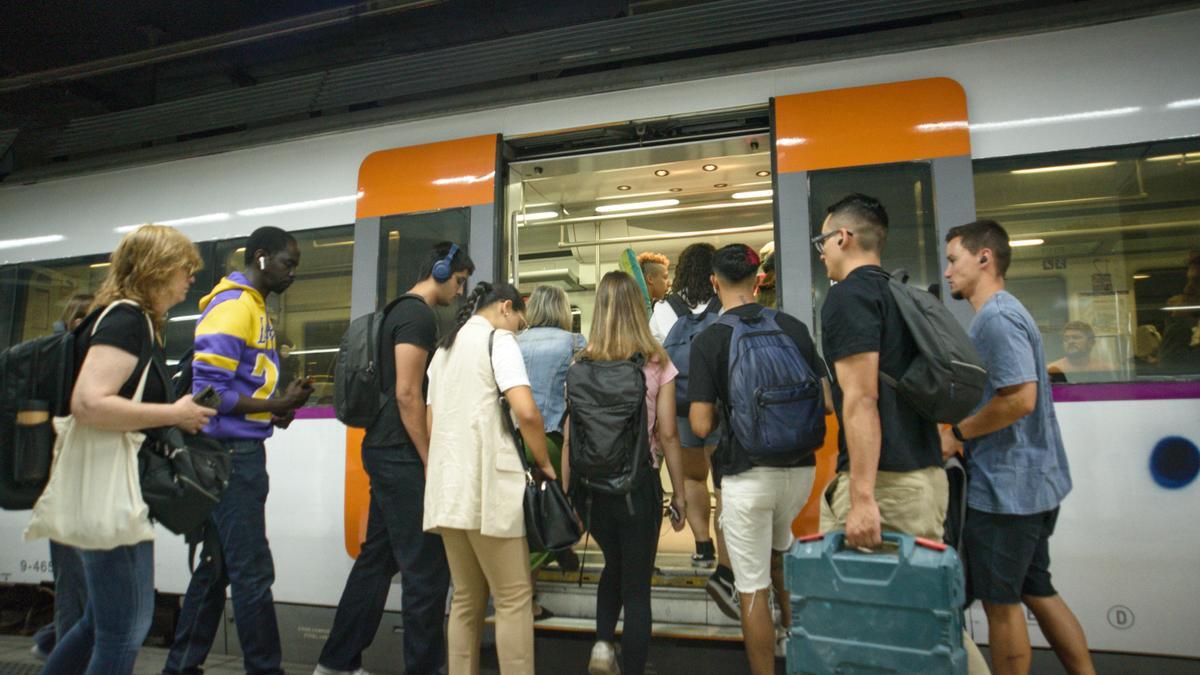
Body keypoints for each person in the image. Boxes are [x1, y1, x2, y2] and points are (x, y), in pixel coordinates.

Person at [814, 194, 989, 674]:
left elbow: (862, 399)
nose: (822, 252)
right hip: (923, 478)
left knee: (881, 628)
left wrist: (863, 496)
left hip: (885, 488)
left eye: (823, 242)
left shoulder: (849, 297)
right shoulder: (901, 296)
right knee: (925, 624)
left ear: (843, 238)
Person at [37, 225, 213, 674]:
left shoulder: (130, 320)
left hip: (110, 485)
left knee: (99, 623)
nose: (189, 277)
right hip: (108, 490)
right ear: (156, 269)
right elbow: (90, 403)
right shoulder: (126, 319)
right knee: (126, 628)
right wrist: (175, 414)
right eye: (184, 267)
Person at [941, 220, 1095, 675]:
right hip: (1034, 486)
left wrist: (958, 434)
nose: (948, 272)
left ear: (983, 258)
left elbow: (1020, 399)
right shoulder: (1008, 311)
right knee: (1037, 589)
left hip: (1007, 491)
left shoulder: (996, 319)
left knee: (1001, 606)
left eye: (954, 260)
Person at [315, 242, 473, 675]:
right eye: (460, 280)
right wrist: (429, 458)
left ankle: (336, 664)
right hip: (401, 455)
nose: (461, 291)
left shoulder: (396, 312)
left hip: (386, 449)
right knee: (426, 571)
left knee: (377, 561)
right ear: (442, 270)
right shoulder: (417, 315)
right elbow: (408, 392)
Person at [164, 226, 314, 675]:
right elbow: (207, 393)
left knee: (216, 570)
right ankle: (265, 669)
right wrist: (274, 404)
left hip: (233, 451)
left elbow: (234, 389)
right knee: (251, 573)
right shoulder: (233, 308)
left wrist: (276, 411)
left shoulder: (254, 307)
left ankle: (179, 667)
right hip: (231, 458)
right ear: (262, 257)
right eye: (288, 264)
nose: (292, 274)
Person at [688, 244, 828, 675]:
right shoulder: (792, 326)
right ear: (759, 279)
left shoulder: (710, 338)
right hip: (801, 469)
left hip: (747, 475)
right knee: (780, 551)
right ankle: (795, 647)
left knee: (751, 587)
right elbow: (825, 400)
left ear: (714, 283)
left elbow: (699, 423)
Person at [425, 281, 558, 675]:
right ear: (505, 308)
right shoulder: (498, 342)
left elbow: (433, 427)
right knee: (514, 596)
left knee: (466, 598)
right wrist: (544, 464)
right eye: (519, 320)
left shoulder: (442, 352)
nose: (518, 329)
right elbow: (528, 412)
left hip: (448, 490)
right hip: (489, 488)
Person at [566, 270, 687, 675]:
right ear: (639, 307)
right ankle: (632, 666)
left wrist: (571, 497)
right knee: (636, 586)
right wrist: (681, 494)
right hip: (639, 487)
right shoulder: (657, 362)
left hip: (593, 490)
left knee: (612, 567)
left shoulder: (580, 363)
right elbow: (668, 434)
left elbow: (570, 438)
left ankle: (602, 645)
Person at [649, 243, 731, 580]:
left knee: (693, 478)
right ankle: (728, 553)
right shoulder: (725, 303)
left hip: (680, 405)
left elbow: (655, 361)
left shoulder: (663, 310)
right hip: (719, 406)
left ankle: (702, 547)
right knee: (724, 483)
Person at [30, 293, 94, 661]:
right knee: (75, 585)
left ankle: (52, 641)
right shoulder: (66, 362)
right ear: (76, 322)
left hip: (77, 486)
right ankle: (61, 653)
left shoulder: (72, 360)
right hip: (67, 486)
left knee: (83, 586)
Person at [516, 284, 585, 617]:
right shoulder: (573, 343)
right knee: (549, 514)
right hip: (554, 441)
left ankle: (561, 550)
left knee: (528, 516)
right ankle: (525, 599)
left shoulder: (513, 342)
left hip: (515, 443)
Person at [1047, 321, 1112, 382]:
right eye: (1066, 339)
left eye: (1076, 337)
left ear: (1091, 342)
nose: (1070, 342)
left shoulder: (1105, 369)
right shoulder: (1050, 370)